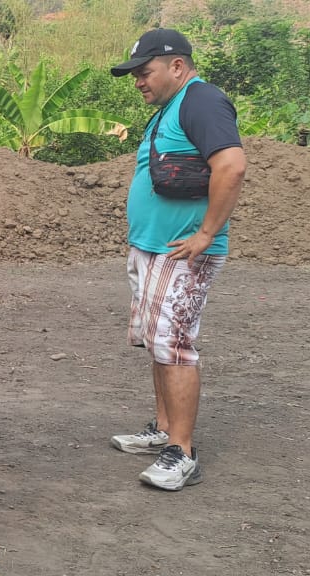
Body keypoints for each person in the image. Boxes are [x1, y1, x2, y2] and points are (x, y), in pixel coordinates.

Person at [107, 28, 245, 491]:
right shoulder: (173, 106)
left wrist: (206, 233)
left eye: (145, 72)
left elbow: (232, 165)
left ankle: (181, 452)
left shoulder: (201, 101)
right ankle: (165, 429)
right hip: (155, 248)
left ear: (177, 66)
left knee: (175, 343)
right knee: (157, 342)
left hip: (183, 253)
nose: (138, 82)